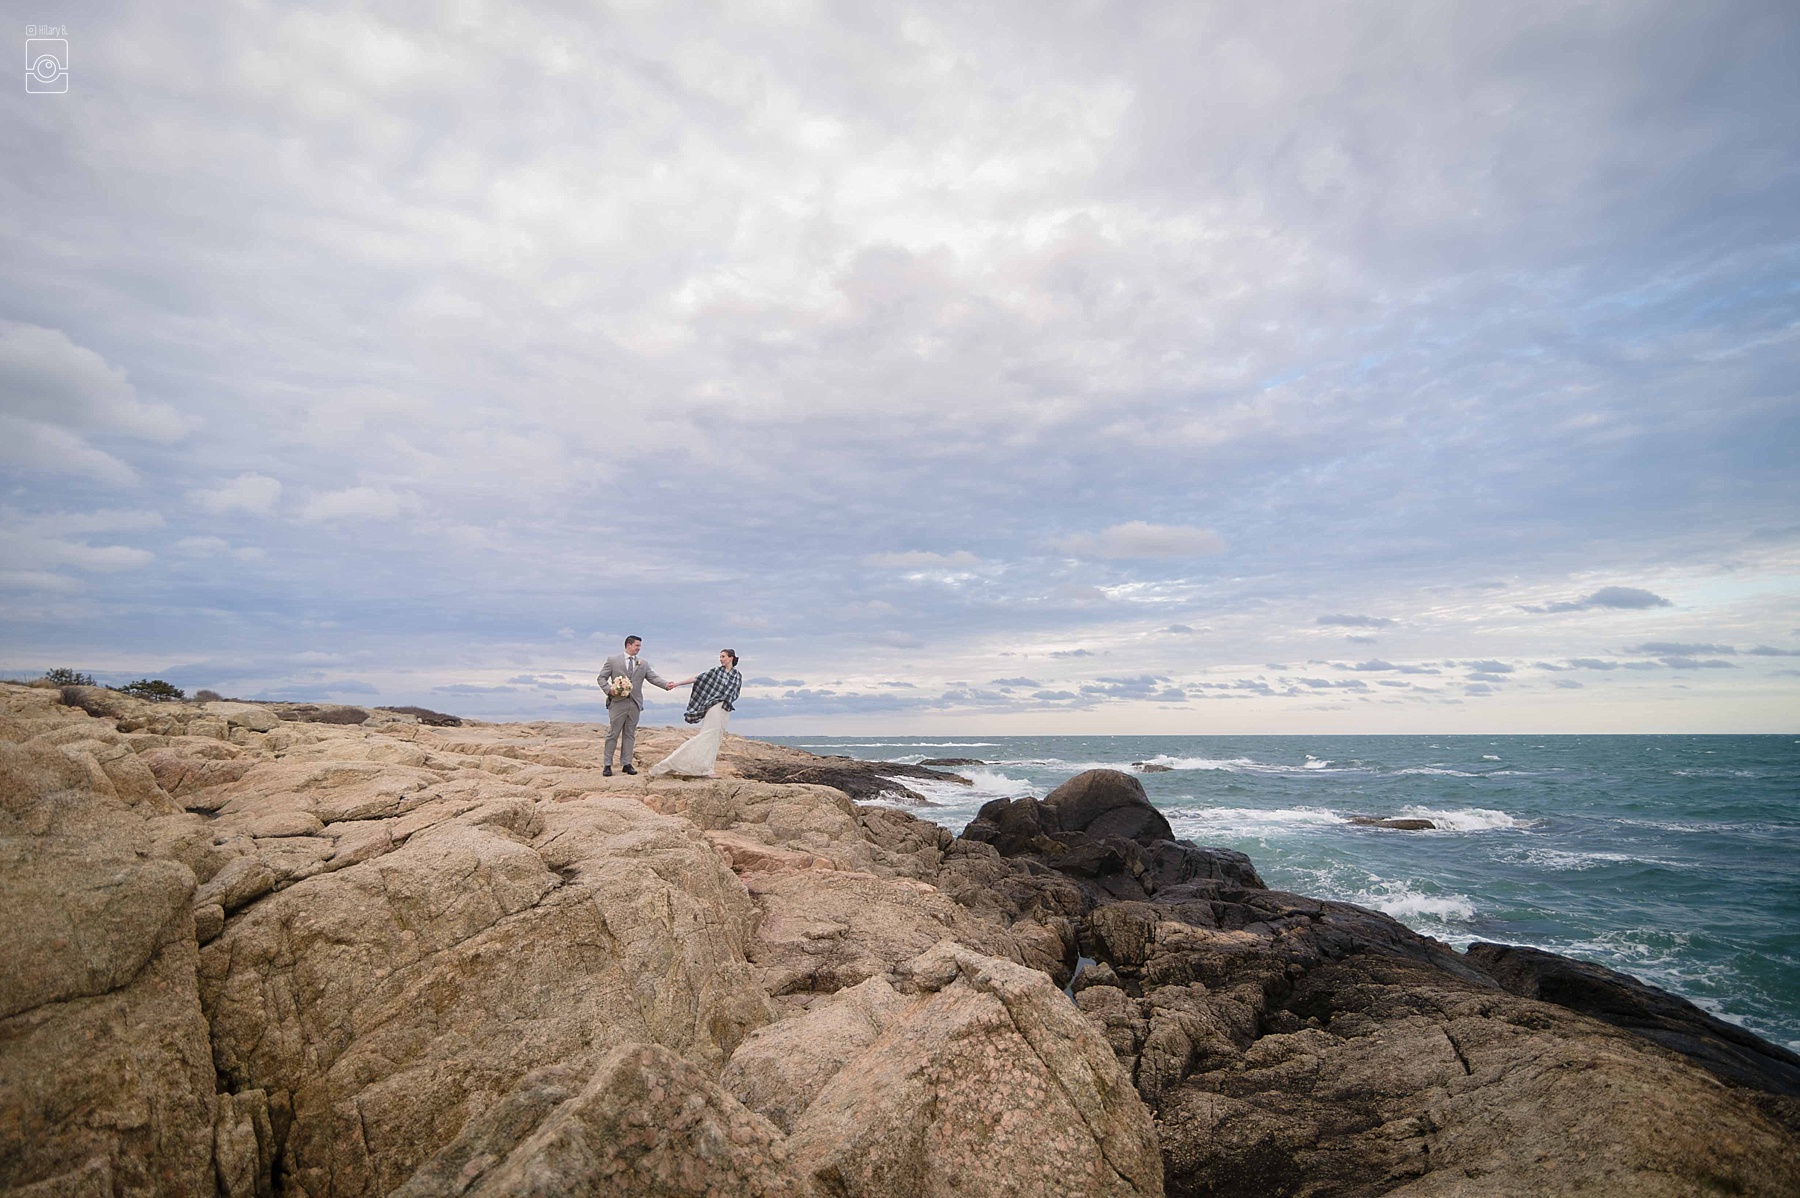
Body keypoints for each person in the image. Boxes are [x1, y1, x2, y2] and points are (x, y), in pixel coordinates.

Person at [648, 649, 741, 778]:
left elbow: (735, 692)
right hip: (714, 706)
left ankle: (707, 768)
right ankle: (671, 763)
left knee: (716, 738)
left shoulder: (737, 675)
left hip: (725, 708)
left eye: (723, 657)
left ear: (731, 658)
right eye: (720, 657)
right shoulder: (716, 671)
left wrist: (727, 700)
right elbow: (697, 679)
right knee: (707, 735)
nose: (721, 659)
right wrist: (678, 683)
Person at [597, 635, 678, 776]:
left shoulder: (643, 663)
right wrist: (610, 690)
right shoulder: (613, 660)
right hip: (617, 702)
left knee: (630, 734)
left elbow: (653, 677)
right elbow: (601, 678)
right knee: (613, 734)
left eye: (640, 646)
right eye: (637, 646)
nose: (639, 649)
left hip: (634, 704)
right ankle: (607, 765)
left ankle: (626, 764)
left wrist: (666, 684)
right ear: (628, 645)